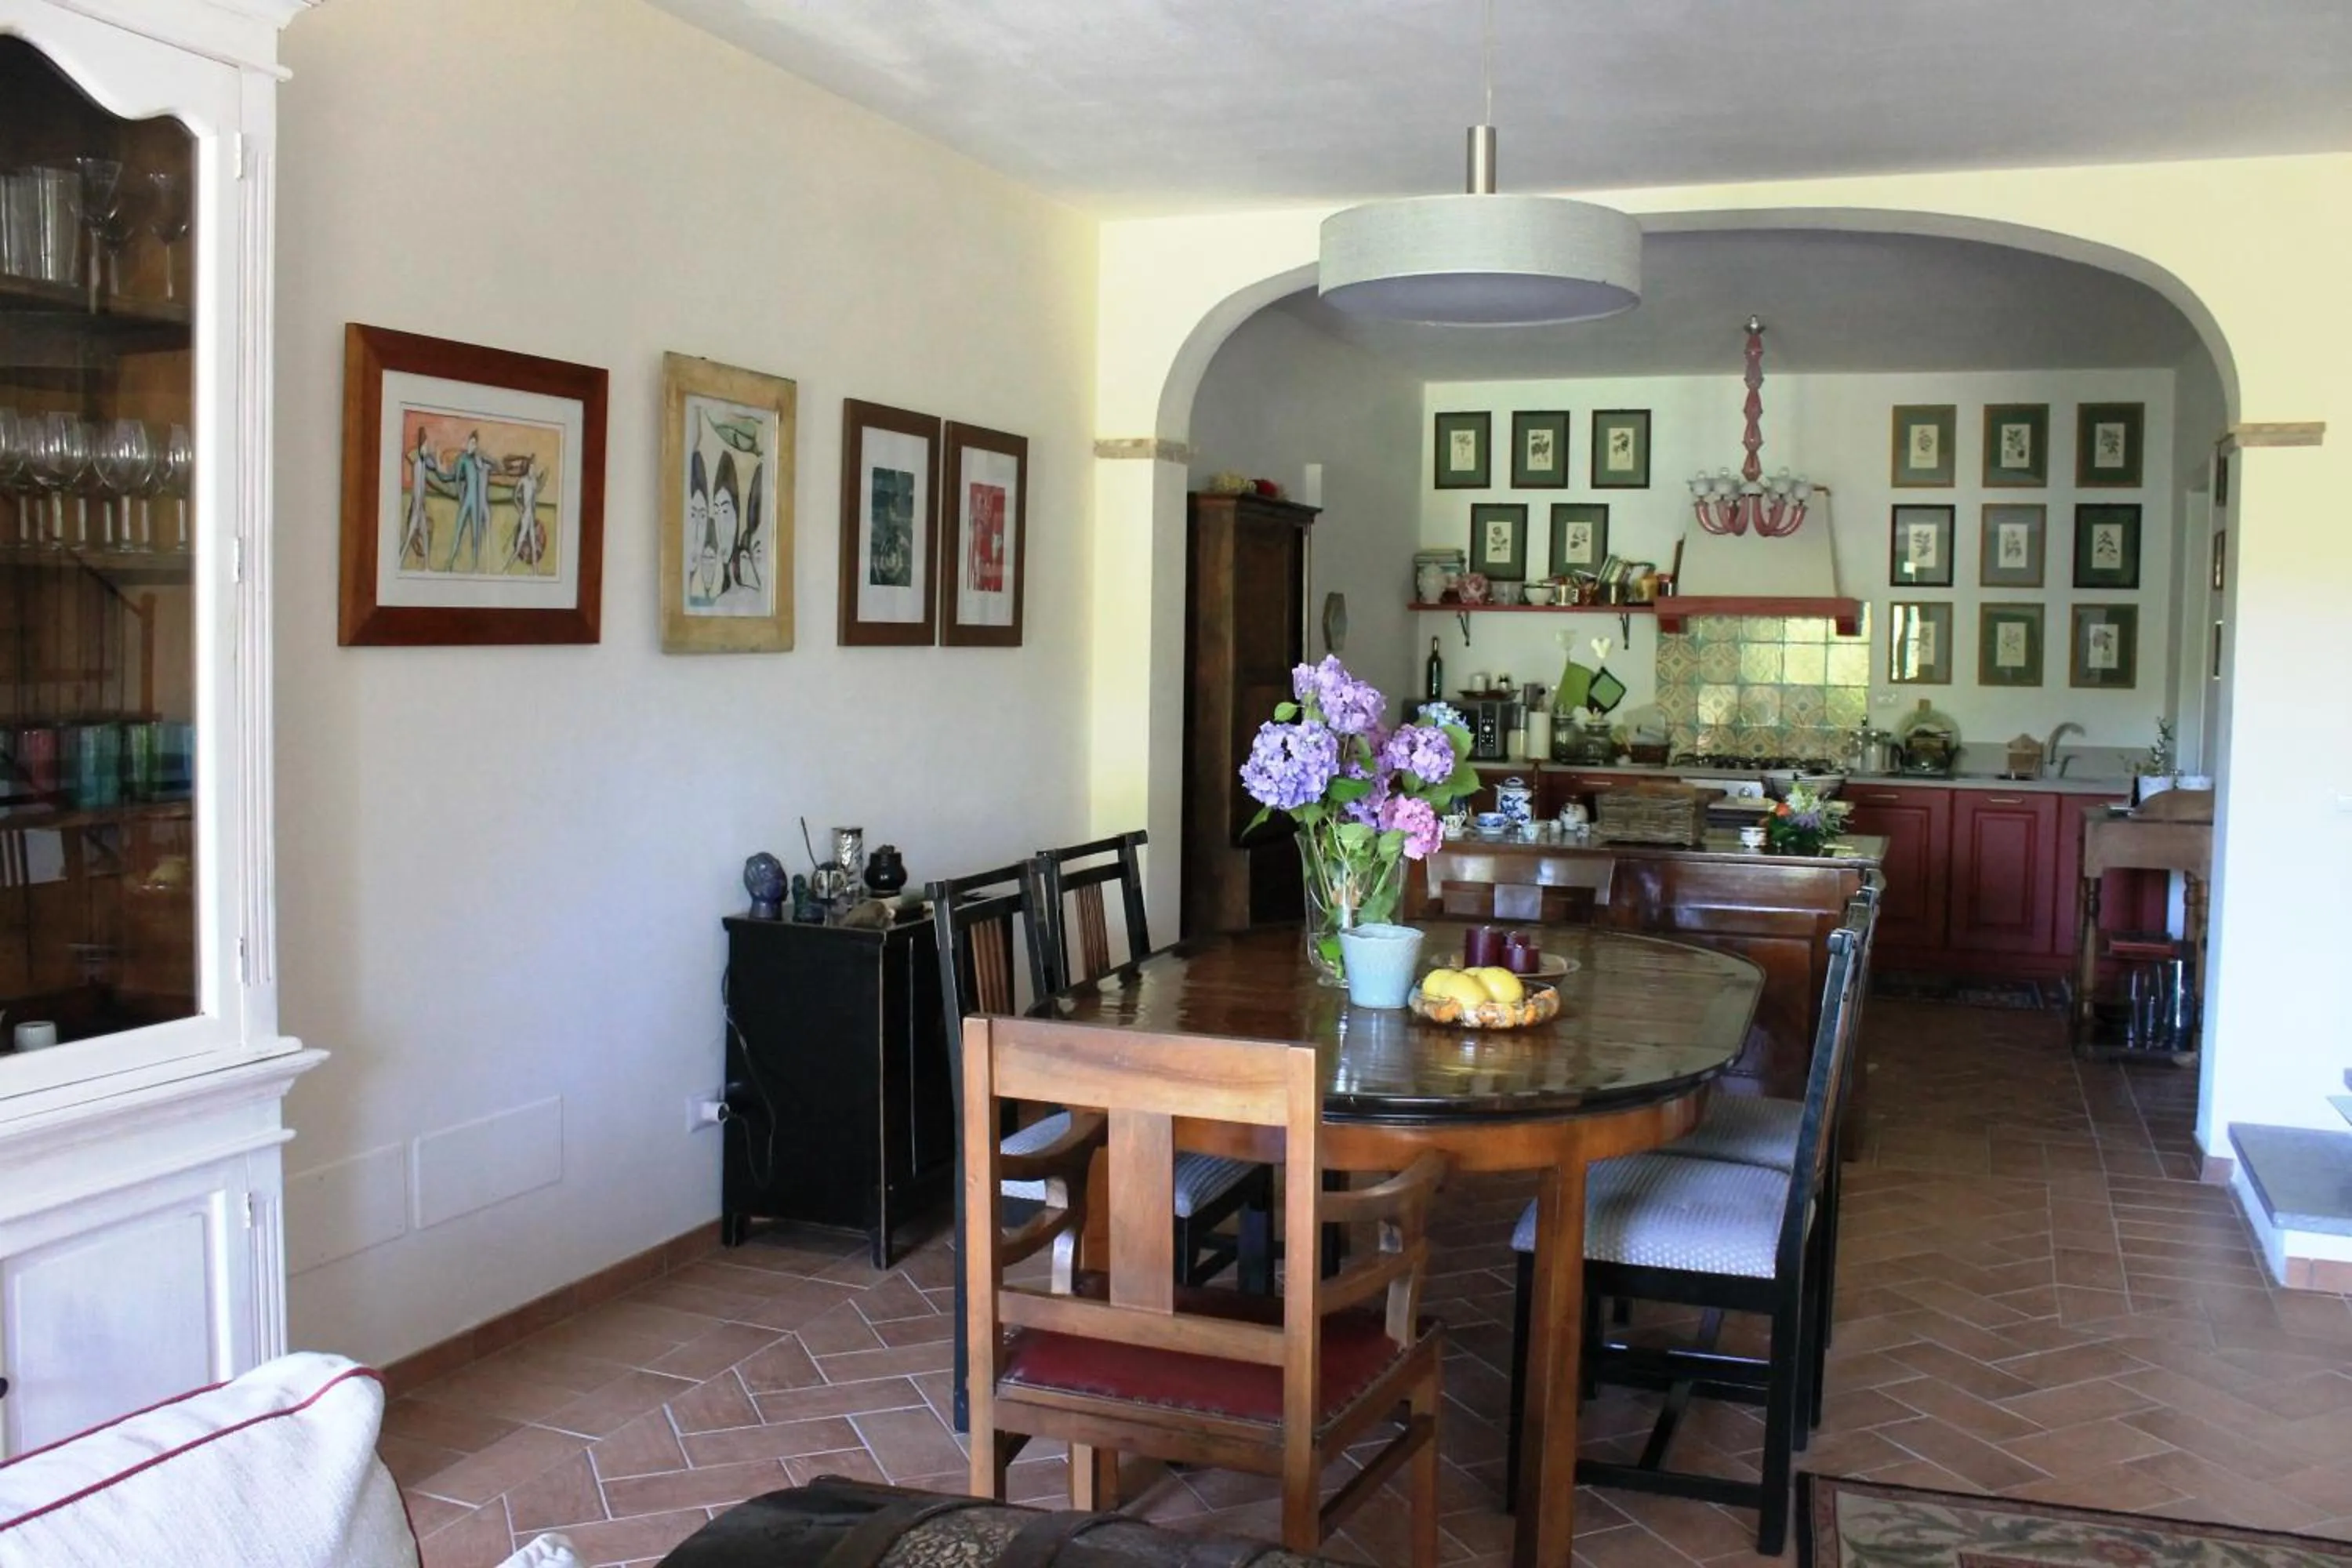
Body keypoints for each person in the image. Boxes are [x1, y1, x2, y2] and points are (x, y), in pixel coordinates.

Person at [444, 431, 493, 572]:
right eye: (470, 443)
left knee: (476, 535)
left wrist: (481, 462)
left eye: (474, 444)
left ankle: (475, 567)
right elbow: (458, 479)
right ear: (468, 443)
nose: (472, 446)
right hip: (466, 501)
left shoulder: (477, 460)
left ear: (476, 445)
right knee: (458, 530)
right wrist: (460, 497)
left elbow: (485, 474)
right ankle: (450, 563)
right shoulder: (462, 459)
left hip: (476, 503)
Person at [401, 427, 443, 566]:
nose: (426, 448)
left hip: (421, 508)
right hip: (417, 507)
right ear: (420, 447)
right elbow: (417, 491)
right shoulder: (418, 464)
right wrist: (418, 510)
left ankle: (427, 566)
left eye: (427, 446)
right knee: (410, 538)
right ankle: (400, 560)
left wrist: (436, 454)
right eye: (425, 446)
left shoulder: (424, 462)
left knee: (424, 535)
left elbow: (436, 468)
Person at [509, 459, 544, 569]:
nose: (532, 470)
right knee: (520, 542)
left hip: (531, 515)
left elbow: (534, 498)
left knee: (533, 544)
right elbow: (514, 496)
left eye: (534, 468)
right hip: (525, 516)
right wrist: (520, 509)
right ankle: (508, 567)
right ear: (527, 468)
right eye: (531, 468)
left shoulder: (533, 482)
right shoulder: (522, 480)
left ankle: (535, 572)